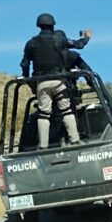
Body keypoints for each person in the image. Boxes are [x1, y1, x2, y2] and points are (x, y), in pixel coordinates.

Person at [20, 13, 91, 148]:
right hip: (59, 82)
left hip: (41, 83)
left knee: (43, 114)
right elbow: (78, 44)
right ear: (53, 25)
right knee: (67, 111)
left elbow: (24, 64)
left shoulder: (31, 43)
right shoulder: (60, 40)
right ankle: (75, 140)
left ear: (39, 26)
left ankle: (43, 146)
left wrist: (31, 83)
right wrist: (86, 37)